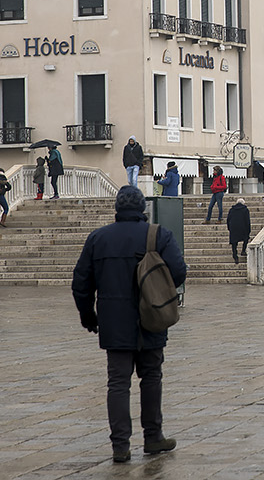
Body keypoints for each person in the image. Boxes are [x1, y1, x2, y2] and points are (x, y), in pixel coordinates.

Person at [71, 186, 187, 463]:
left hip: (113, 321)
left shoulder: (98, 238)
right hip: (152, 317)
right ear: (142, 209)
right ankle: (153, 436)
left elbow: (80, 284)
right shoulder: (158, 235)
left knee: (118, 383)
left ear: (117, 209)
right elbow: (179, 272)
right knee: (151, 377)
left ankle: (120, 446)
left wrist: (89, 317)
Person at [226, 197, 251, 264]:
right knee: (246, 238)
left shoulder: (231, 210)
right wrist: (249, 230)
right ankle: (243, 251)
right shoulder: (245, 210)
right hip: (243, 227)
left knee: (234, 242)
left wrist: (229, 228)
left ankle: (235, 255)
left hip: (233, 227)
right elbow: (247, 221)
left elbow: (228, 219)